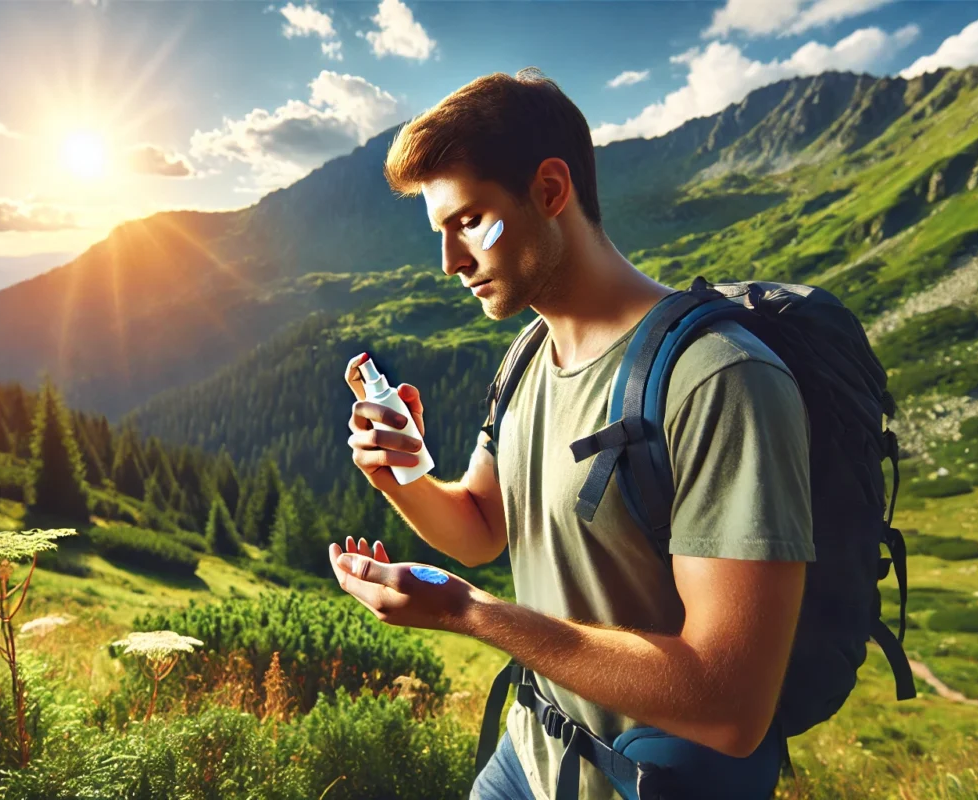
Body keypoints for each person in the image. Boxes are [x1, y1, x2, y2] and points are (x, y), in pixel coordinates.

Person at [334, 67, 812, 800]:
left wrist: (468, 612)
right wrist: (397, 477)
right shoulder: (527, 356)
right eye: (442, 232)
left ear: (551, 191)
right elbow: (485, 528)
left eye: (468, 222)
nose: (451, 263)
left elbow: (729, 706)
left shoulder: (720, 381)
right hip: (530, 752)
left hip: (649, 783)